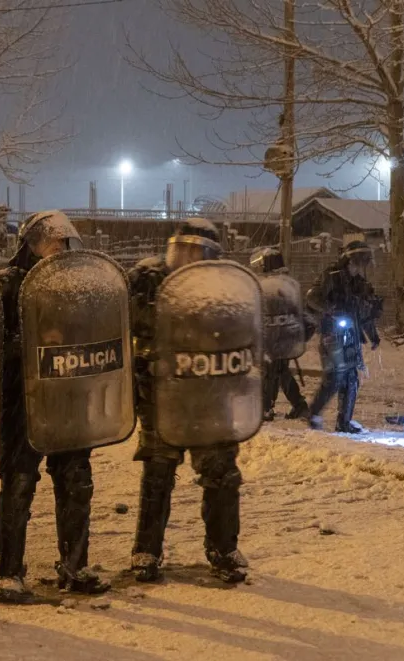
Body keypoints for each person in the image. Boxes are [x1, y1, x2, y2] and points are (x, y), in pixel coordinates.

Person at [0, 210, 111, 603]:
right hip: (20, 403)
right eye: (50, 240)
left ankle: (75, 565)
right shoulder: (5, 286)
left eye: (63, 241)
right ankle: (8, 572)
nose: (58, 247)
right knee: (19, 485)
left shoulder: (77, 285)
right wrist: (33, 339)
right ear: (31, 243)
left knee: (76, 482)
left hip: (68, 400)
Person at [127, 218, 249, 584]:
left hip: (211, 395)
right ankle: (146, 550)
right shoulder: (147, 280)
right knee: (158, 471)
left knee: (222, 474)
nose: (186, 257)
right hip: (160, 393)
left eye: (196, 251)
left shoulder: (227, 288)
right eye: (182, 248)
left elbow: (241, 337)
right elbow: (128, 323)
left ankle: (223, 548)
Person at [306, 240, 382, 433]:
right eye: (360, 261)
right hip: (332, 333)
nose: (362, 266)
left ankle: (344, 422)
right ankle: (313, 413)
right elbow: (312, 297)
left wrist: (373, 335)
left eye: (365, 262)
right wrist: (331, 310)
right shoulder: (332, 276)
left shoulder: (360, 284)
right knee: (334, 377)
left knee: (351, 379)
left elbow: (363, 312)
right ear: (351, 260)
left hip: (351, 335)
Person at [249, 247, 314, 422]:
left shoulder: (274, 287)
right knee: (281, 371)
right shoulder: (283, 284)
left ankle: (266, 408)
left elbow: (271, 314)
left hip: (274, 337)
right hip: (282, 337)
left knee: (270, 371)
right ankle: (299, 406)